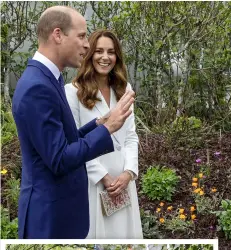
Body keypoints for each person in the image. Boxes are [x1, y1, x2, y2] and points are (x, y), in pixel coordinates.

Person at [12, 6, 135, 239]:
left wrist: (99, 123)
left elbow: (64, 140)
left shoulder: (50, 79)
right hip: (49, 219)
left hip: (60, 213)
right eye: (81, 36)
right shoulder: (37, 87)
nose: (86, 45)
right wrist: (108, 129)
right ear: (57, 35)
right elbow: (58, 159)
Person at [65, 29, 143, 239]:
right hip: (94, 182)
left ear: (117, 57)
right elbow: (74, 142)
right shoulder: (72, 92)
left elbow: (130, 136)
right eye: (99, 51)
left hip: (124, 182)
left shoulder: (124, 89)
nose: (105, 57)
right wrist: (104, 177)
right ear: (90, 54)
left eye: (111, 52)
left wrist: (128, 173)